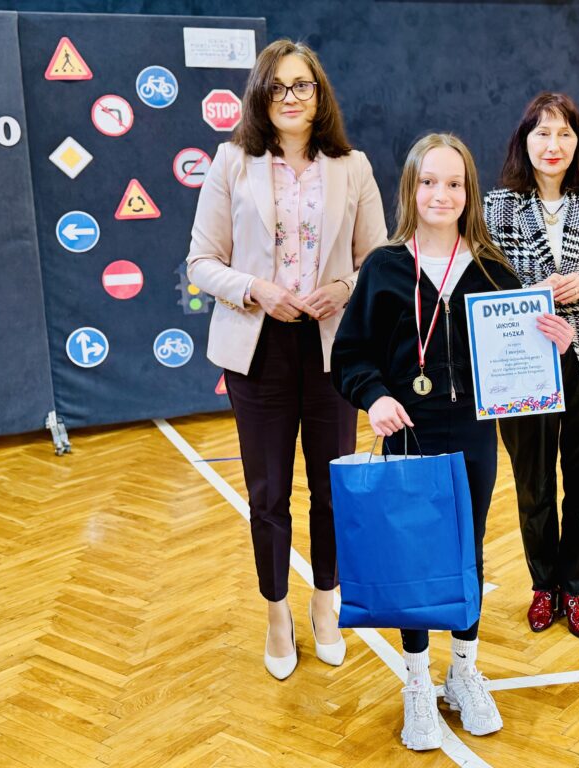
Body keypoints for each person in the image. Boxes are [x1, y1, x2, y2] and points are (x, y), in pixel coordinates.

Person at [332, 133, 574, 751]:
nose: (441, 194)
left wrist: (555, 343)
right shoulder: (384, 267)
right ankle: (416, 682)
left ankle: (463, 670)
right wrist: (374, 397)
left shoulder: (494, 270)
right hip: (407, 431)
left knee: (468, 549)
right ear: (410, 189)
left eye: (454, 183)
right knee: (414, 554)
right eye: (429, 182)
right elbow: (349, 356)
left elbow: (523, 355)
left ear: (470, 192)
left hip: (472, 432)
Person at [186, 39, 386, 679]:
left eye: (302, 85)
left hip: (333, 349)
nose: (291, 97)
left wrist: (344, 288)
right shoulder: (231, 162)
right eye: (278, 86)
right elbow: (201, 263)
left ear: (319, 94)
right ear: (260, 96)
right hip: (258, 348)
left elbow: (378, 260)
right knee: (268, 492)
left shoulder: (353, 166)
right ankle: (277, 614)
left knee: (332, 489)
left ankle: (326, 603)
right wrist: (256, 290)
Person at [484, 93, 579, 640]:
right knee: (533, 486)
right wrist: (534, 298)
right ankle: (543, 585)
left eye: (564, 133)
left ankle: (576, 588)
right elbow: (485, 288)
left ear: (578, 142)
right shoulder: (497, 206)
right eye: (542, 133)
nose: (554, 144)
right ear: (524, 141)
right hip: (522, 364)